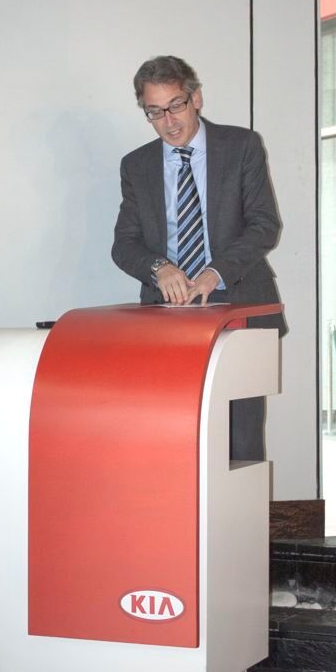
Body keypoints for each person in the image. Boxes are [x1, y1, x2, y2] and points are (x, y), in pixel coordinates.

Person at [111, 54, 283, 462]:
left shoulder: (241, 146)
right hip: (167, 316)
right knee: (173, 437)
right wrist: (159, 268)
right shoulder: (136, 165)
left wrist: (214, 272)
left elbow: (264, 225)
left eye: (176, 105)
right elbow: (124, 244)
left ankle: (239, 507)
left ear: (196, 98)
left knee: (239, 439)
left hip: (239, 305)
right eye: (155, 112)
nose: (169, 121)